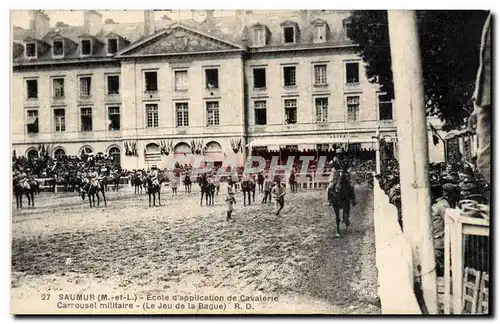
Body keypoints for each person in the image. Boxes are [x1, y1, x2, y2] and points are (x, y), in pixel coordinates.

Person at [431, 183, 459, 277]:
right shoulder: (443, 205)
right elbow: (451, 221)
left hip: (437, 239)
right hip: (440, 240)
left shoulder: (440, 203)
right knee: (443, 267)